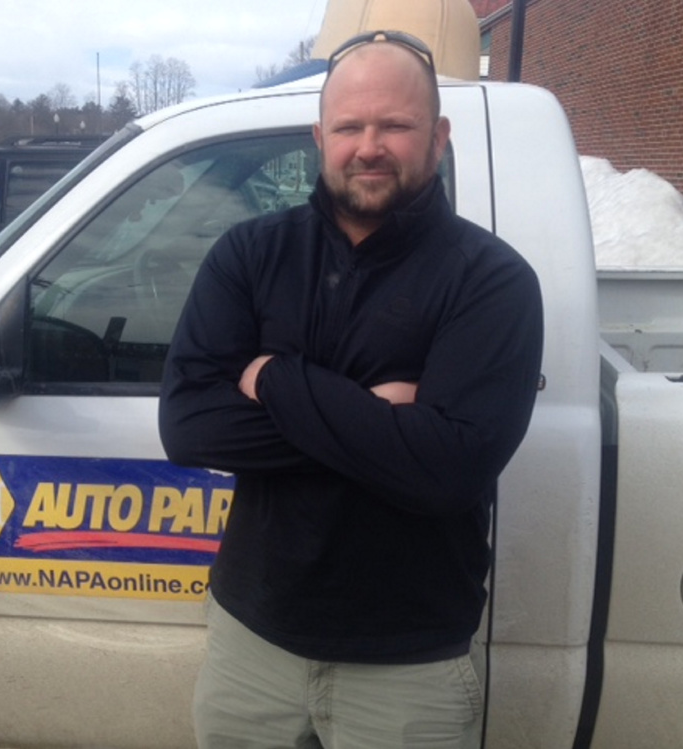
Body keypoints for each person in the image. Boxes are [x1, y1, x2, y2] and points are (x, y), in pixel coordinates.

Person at [159, 30, 544, 749]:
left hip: (407, 665)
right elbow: (189, 426)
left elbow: (448, 468)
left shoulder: (491, 281)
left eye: (394, 125)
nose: (369, 146)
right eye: (348, 127)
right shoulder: (250, 253)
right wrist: (378, 417)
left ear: (438, 138)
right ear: (319, 138)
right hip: (251, 642)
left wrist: (275, 377)